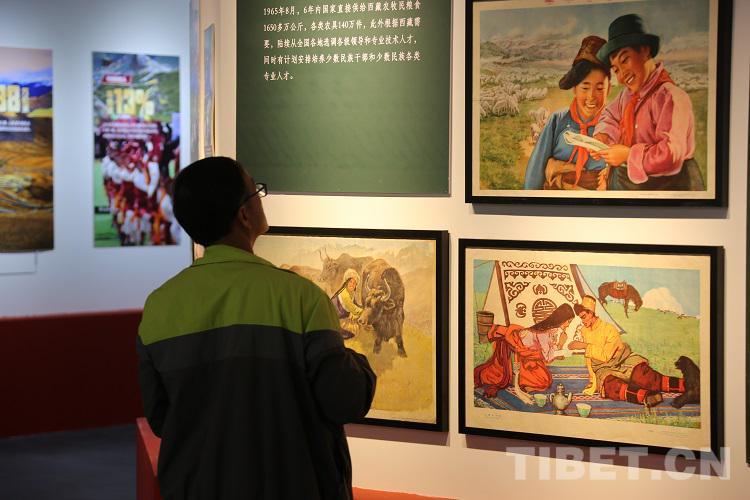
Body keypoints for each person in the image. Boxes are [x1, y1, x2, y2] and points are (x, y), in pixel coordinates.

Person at [137, 156, 376, 499]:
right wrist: (358, 365)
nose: (260, 199)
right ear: (244, 215)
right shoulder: (302, 298)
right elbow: (345, 400)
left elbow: (162, 419)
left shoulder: (159, 306)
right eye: (256, 191)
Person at [591, 14, 703, 190]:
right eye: (616, 70)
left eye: (625, 60)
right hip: (633, 183)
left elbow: (670, 153)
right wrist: (604, 135)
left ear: (645, 51)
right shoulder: (626, 96)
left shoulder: (671, 97)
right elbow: (610, 115)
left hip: (673, 185)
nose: (621, 77)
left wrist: (629, 155)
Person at [568, 295, 696, 407]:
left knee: (645, 377)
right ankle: (646, 397)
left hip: (623, 361)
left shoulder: (609, 329)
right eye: (581, 318)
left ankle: (689, 385)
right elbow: (589, 360)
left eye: (584, 317)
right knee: (611, 387)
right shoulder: (584, 331)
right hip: (604, 369)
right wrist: (592, 381)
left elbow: (606, 356)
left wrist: (584, 346)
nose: (583, 321)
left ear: (591, 313)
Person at [524, 36, 611, 190]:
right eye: (585, 88)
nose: (591, 96)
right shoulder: (558, 120)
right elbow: (535, 172)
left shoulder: (614, 124)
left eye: (599, 88)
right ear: (575, 89)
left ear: (609, 88)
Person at [474, 303, 575, 402]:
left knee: (545, 378)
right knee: (544, 381)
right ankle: (520, 383)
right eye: (568, 321)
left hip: (529, 356)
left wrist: (558, 348)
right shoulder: (544, 332)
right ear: (561, 319)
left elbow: (547, 352)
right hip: (518, 355)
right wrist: (561, 344)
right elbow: (547, 357)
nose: (568, 325)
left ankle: (522, 382)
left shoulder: (550, 330)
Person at [331, 268, 363, 339]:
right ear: (346, 282)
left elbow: (355, 305)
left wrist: (362, 309)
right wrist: (364, 312)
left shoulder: (351, 294)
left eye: (354, 283)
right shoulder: (344, 294)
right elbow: (354, 309)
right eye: (350, 282)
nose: (352, 284)